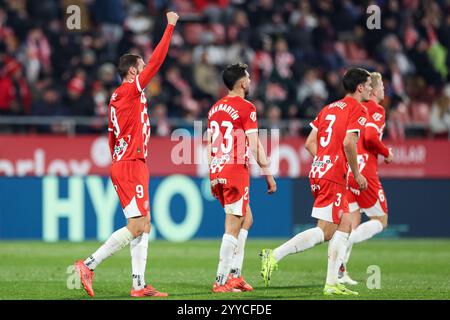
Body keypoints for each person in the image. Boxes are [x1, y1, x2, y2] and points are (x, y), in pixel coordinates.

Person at [74, 12, 179, 298]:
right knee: (136, 225)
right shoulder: (130, 91)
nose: (145, 69)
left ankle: (138, 285)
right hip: (130, 164)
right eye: (141, 67)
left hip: (129, 162)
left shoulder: (118, 96)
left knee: (144, 224)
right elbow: (157, 61)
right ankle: (88, 264)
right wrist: (169, 26)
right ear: (133, 71)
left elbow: (111, 135)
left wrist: (120, 158)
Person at [260, 68, 370, 296]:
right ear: (359, 87)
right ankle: (274, 255)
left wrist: (325, 160)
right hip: (333, 175)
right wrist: (356, 173)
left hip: (320, 170)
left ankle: (331, 282)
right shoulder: (358, 109)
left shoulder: (328, 108)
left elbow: (310, 143)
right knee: (325, 231)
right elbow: (350, 143)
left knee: (346, 224)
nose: (370, 88)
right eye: (368, 84)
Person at [207, 63, 277, 293]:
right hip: (235, 169)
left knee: (246, 219)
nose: (250, 81)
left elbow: (209, 144)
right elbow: (254, 144)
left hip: (218, 168)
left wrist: (211, 173)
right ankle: (220, 280)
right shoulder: (246, 107)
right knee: (233, 225)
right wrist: (268, 173)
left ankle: (235, 275)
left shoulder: (215, 108)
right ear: (242, 83)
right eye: (248, 77)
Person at [339, 72, 393, 285]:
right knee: (381, 220)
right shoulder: (376, 109)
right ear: (376, 90)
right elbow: (370, 137)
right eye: (381, 88)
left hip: (349, 170)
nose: (382, 91)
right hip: (365, 173)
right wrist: (386, 152)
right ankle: (345, 243)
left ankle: (340, 272)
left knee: (351, 222)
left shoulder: (352, 107)